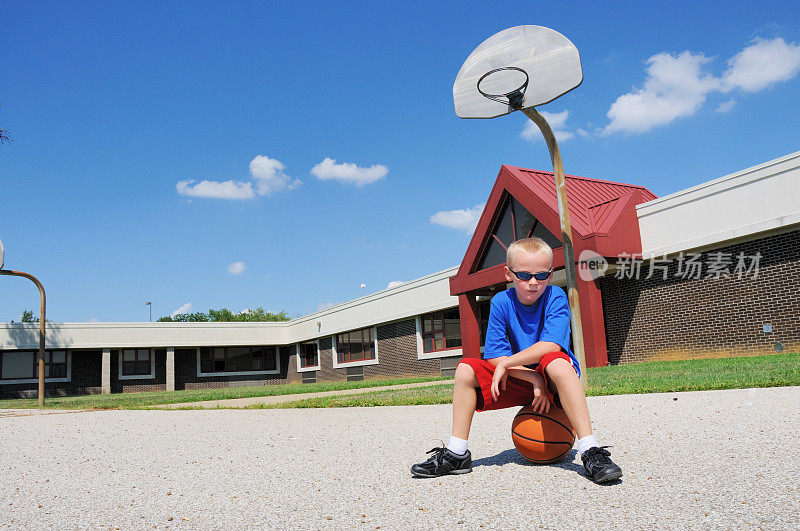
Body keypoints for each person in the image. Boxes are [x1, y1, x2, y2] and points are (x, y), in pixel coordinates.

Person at [411, 237, 622, 483]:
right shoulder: (501, 302)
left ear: (550, 274)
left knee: (556, 361)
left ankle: (590, 450)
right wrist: (531, 376)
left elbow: (550, 345)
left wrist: (509, 364)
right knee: (465, 369)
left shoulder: (555, 296)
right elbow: (493, 355)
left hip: (555, 382)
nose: (533, 283)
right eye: (524, 275)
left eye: (541, 276)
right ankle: (457, 453)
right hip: (523, 379)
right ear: (508, 273)